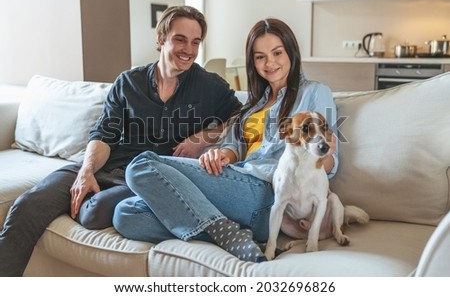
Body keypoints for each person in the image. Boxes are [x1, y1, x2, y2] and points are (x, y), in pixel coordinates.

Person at [0, 5, 242, 276]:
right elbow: (103, 134)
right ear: (161, 38)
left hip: (145, 177)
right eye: (180, 39)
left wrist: (203, 138)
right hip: (106, 164)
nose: (189, 49)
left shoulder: (209, 86)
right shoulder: (129, 82)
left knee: (93, 212)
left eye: (196, 42)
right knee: (27, 205)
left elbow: (242, 115)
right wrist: (86, 171)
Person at [112, 18, 338, 263]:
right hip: (235, 183)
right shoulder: (255, 103)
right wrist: (222, 154)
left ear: (291, 52)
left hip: (269, 193)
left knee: (141, 165)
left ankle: (228, 232)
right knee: (126, 214)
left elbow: (330, 162)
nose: (270, 63)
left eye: (277, 53)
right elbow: (235, 147)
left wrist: (323, 154)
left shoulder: (315, 93)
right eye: (260, 56)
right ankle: (232, 233)